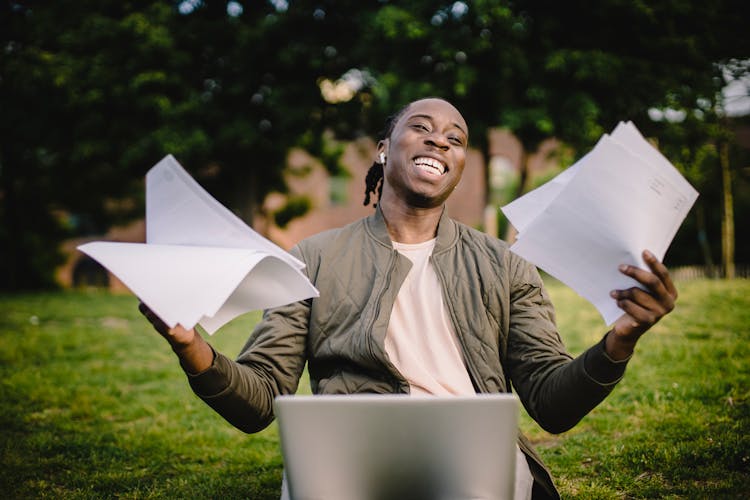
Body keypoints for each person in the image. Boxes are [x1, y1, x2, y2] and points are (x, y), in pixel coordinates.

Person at [140, 97, 677, 499]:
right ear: (383, 149)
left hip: (476, 465)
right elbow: (258, 400)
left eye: (456, 138)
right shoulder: (313, 256)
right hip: (348, 461)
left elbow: (552, 402)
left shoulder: (505, 264)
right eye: (420, 128)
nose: (440, 140)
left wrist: (619, 341)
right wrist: (189, 345)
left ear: (460, 163)